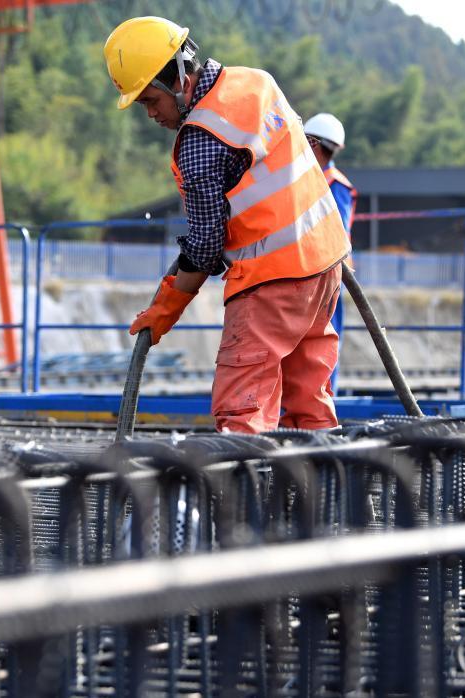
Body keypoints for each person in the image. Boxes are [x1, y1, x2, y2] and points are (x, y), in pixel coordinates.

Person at [105, 16, 351, 433]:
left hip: (270, 281)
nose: (150, 114)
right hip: (325, 270)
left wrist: (165, 309)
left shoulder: (200, 140)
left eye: (150, 101)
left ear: (180, 79)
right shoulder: (256, 82)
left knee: (243, 414)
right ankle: (322, 496)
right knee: (310, 408)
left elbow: (204, 244)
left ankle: (245, 498)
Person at [303, 112, 357, 395]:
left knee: (323, 341)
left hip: (327, 275)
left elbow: (336, 234)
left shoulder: (335, 184)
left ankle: (323, 404)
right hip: (306, 274)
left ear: (313, 143)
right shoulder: (311, 178)